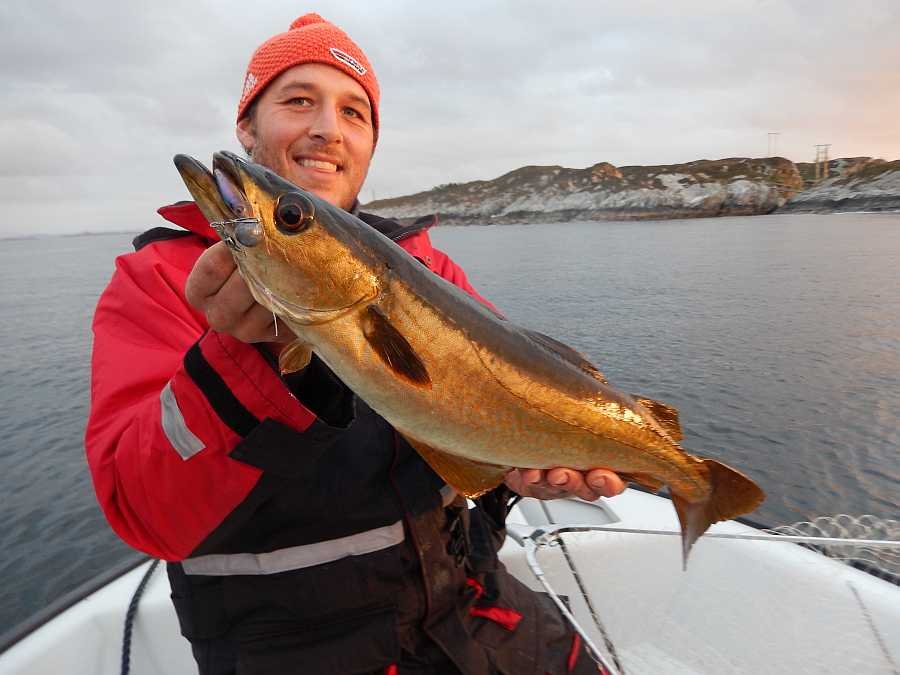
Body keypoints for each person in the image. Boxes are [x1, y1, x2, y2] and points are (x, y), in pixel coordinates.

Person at [85, 13, 625, 675]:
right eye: (298, 100)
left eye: (354, 112)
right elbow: (145, 513)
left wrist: (524, 454)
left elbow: (504, 390)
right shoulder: (157, 282)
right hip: (293, 655)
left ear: (369, 144)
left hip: (468, 612)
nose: (326, 129)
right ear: (247, 127)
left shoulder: (426, 268)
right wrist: (240, 359)